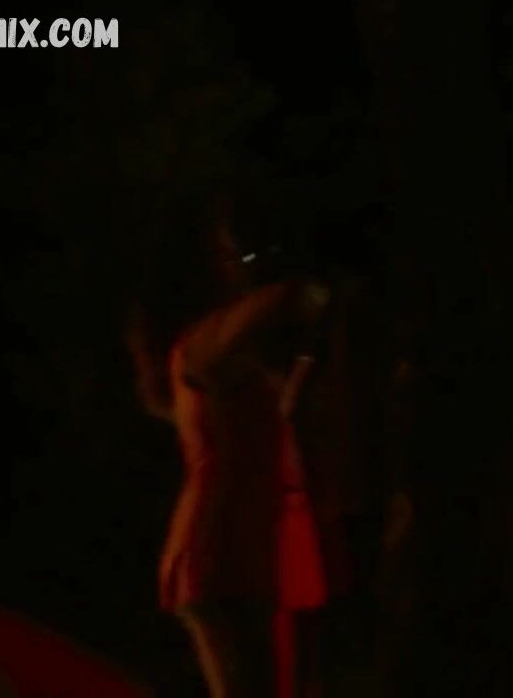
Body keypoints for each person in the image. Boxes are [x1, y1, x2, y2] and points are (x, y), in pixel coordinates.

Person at [131, 195, 334, 697]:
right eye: (224, 253)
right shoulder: (202, 345)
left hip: (243, 548)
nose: (237, 263)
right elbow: (289, 299)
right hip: (221, 550)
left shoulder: (218, 356)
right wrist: (314, 290)